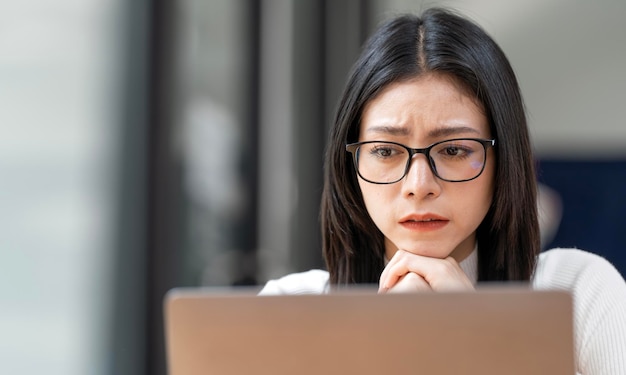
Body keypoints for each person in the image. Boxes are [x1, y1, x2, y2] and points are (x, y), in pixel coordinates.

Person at [259, 7, 626, 373]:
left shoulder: (577, 293)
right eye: (385, 151)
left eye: (453, 150)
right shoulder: (284, 309)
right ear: (350, 165)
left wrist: (473, 336)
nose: (419, 186)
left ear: (504, 160)